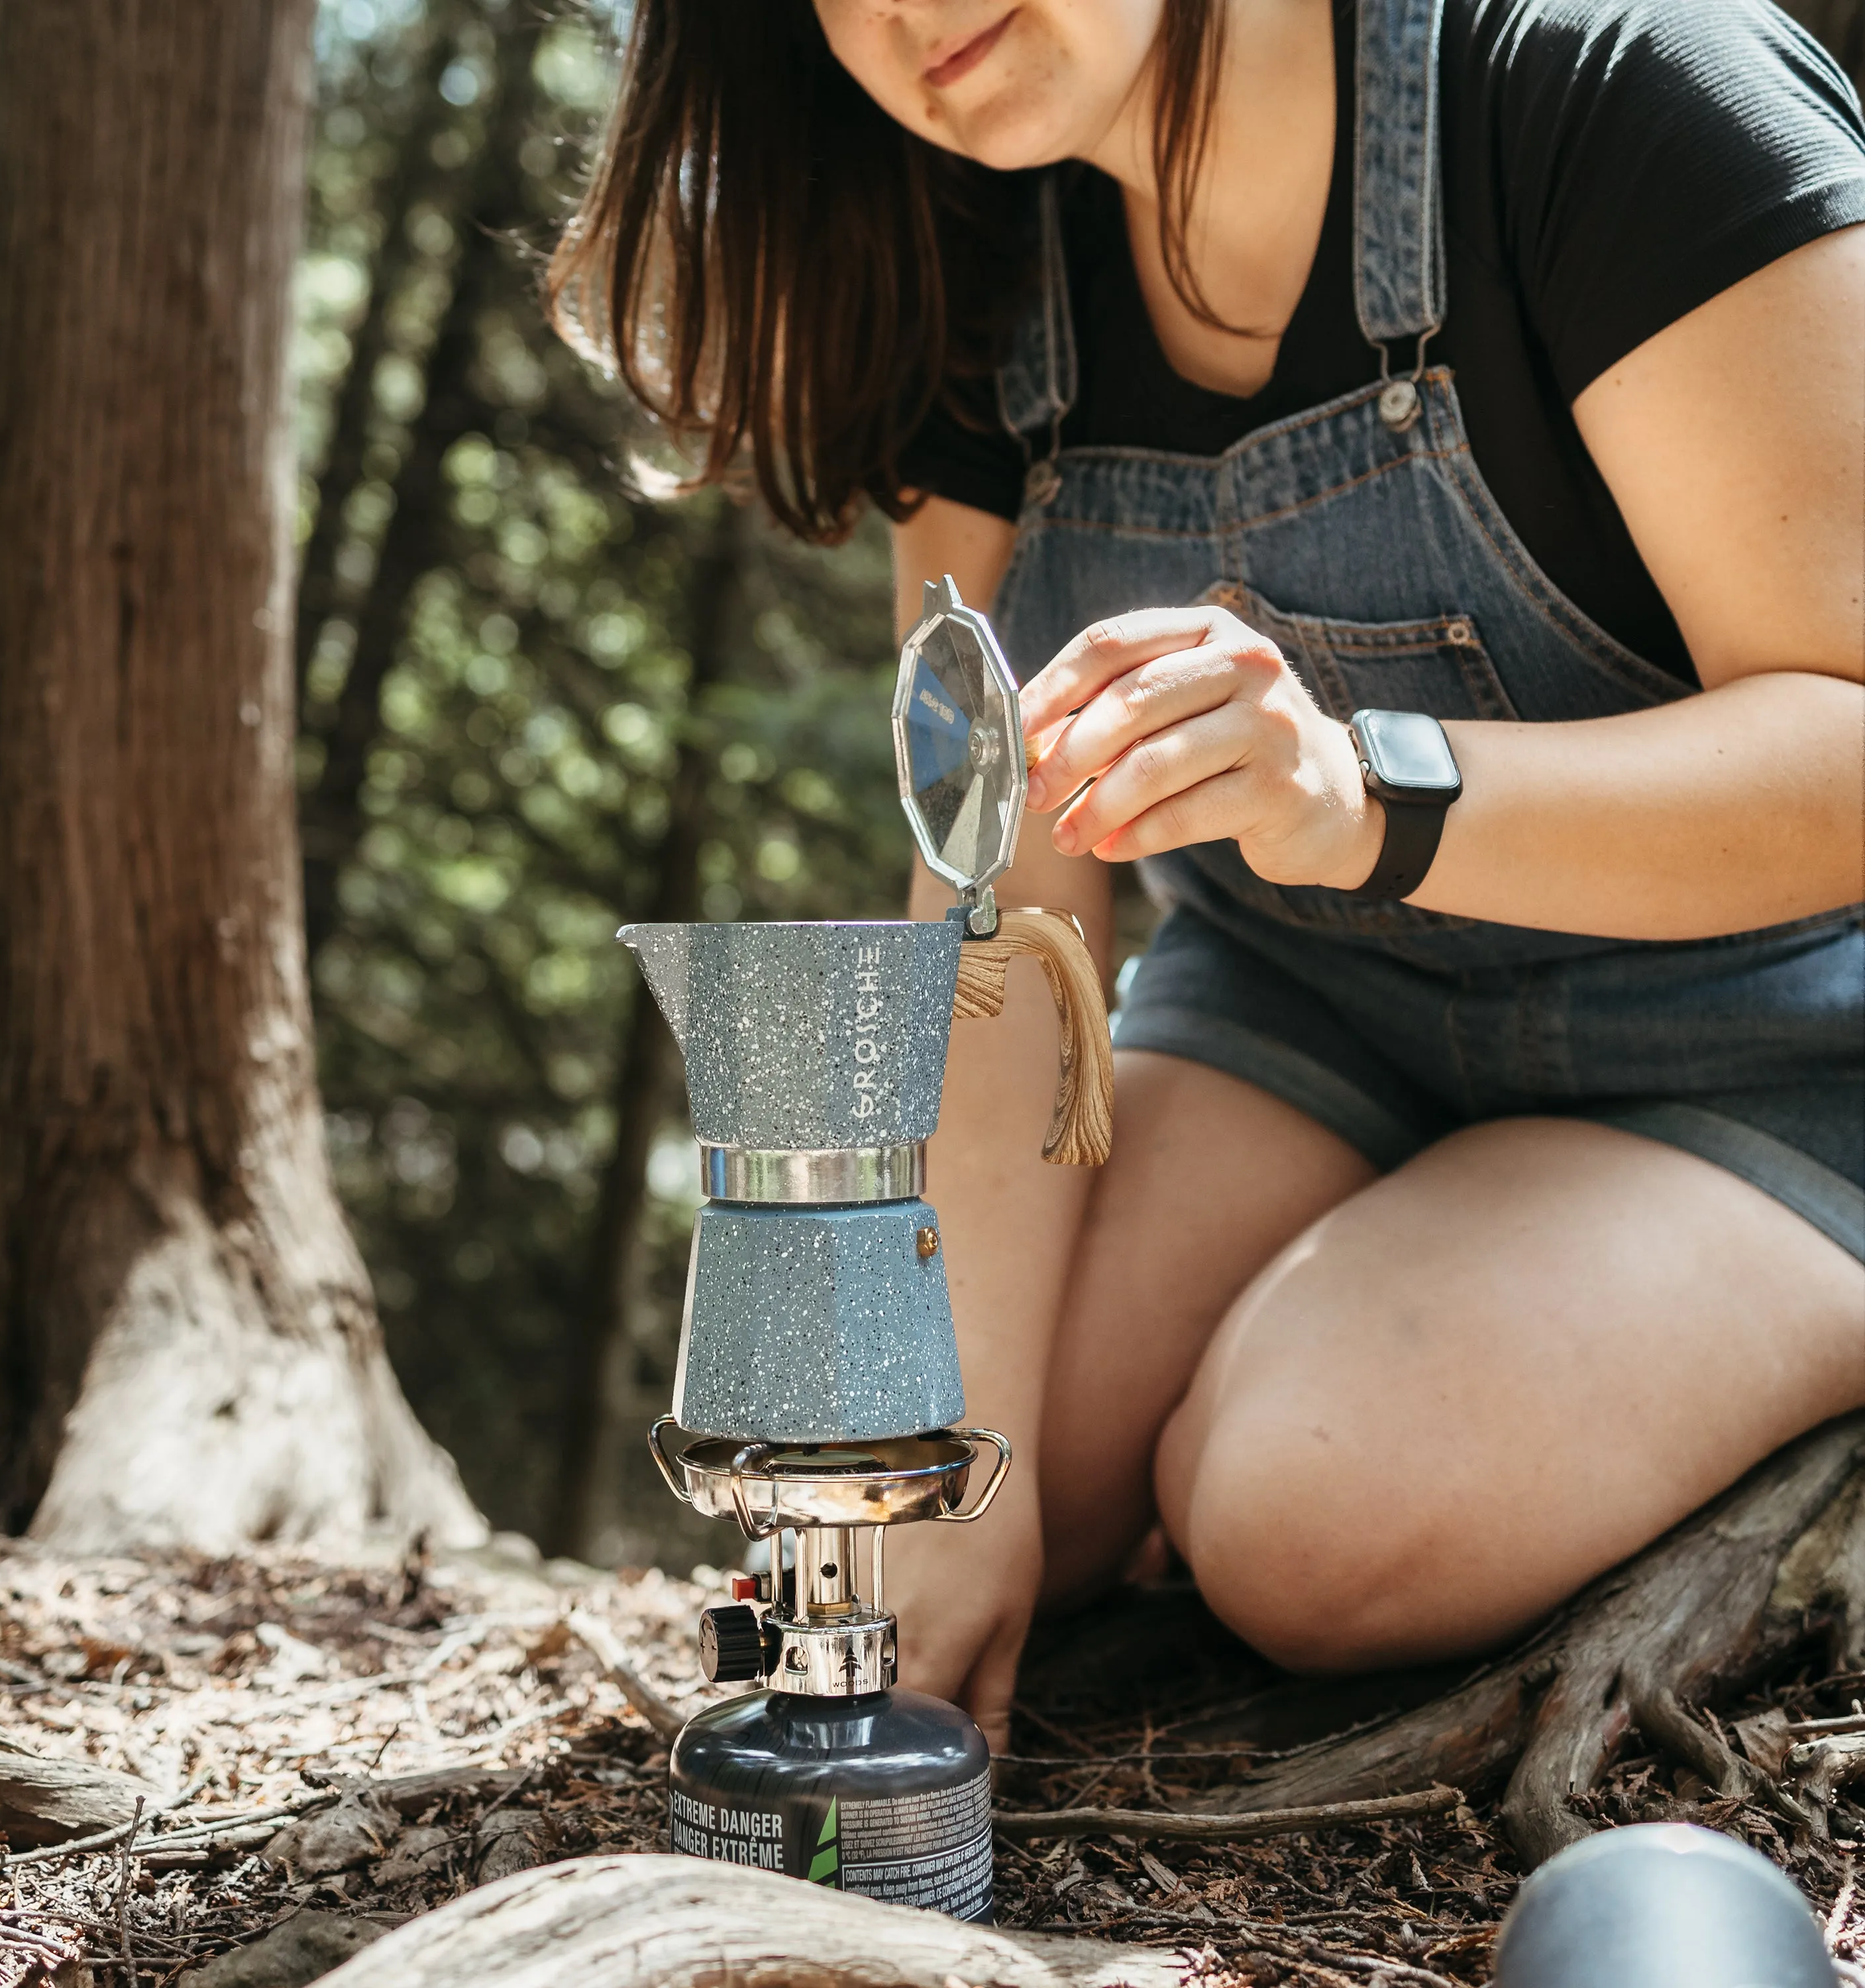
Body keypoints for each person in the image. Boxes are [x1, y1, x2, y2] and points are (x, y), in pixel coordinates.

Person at [551, 0, 1865, 1747]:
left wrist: (1371, 785)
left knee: (1300, 1511)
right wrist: (937, 1450)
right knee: (898, 1525)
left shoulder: (1617, 86)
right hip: (1310, 1010)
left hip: (1784, 1030)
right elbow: (999, 896)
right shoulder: (964, 263)